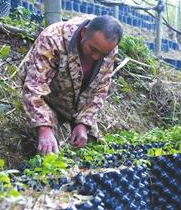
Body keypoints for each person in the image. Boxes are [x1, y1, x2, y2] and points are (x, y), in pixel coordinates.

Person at [20, 15, 123, 155]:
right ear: (83, 33)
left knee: (91, 150)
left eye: (103, 54)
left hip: (78, 103)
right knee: (46, 151)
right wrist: (44, 127)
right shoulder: (53, 39)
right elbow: (34, 87)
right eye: (93, 50)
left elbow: (100, 90)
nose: (96, 57)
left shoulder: (108, 49)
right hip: (48, 100)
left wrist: (83, 123)